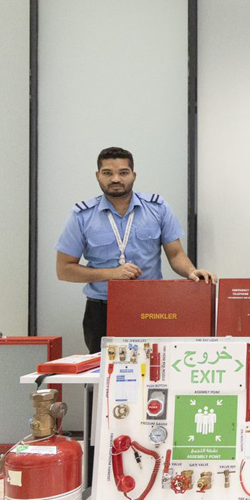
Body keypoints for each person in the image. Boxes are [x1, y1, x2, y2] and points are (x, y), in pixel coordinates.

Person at [56, 147, 216, 353]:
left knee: (154, 371)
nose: (115, 179)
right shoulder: (81, 215)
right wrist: (112, 274)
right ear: (98, 176)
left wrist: (191, 272)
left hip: (151, 306)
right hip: (102, 309)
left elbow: (176, 254)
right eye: (107, 173)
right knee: (103, 375)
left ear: (133, 175)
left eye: (123, 172)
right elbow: (64, 269)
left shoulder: (157, 208)